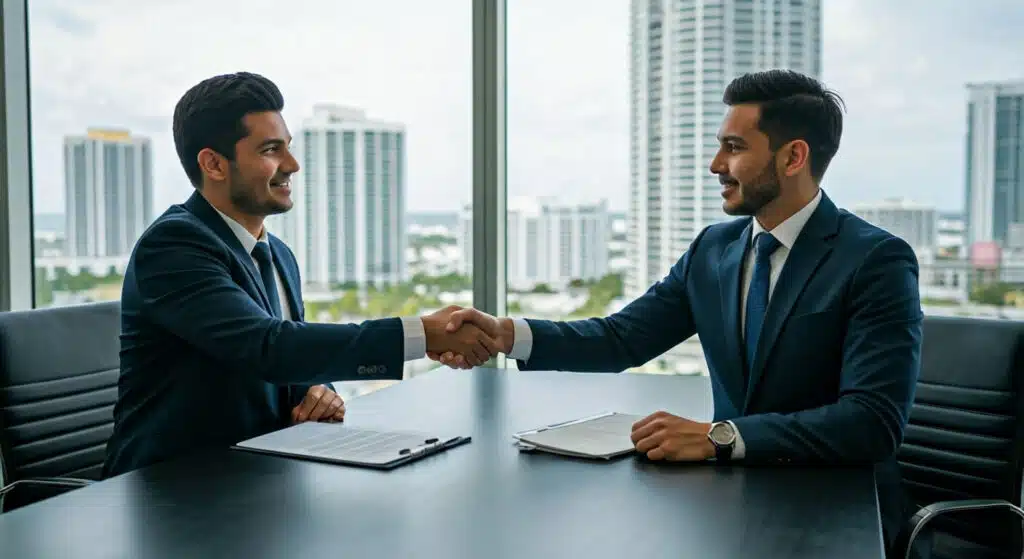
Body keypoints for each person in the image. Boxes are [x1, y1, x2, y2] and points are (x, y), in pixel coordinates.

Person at [431, 69, 922, 549]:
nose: (715, 164)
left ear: (794, 157)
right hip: (731, 503)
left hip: (837, 513)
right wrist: (507, 334)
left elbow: (871, 422)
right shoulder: (714, 249)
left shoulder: (875, 260)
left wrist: (720, 437)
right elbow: (622, 337)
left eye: (734, 147)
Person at [103, 72, 501, 478]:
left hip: (259, 476)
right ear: (214, 164)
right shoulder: (173, 246)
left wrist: (318, 391)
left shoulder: (278, 255)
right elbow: (268, 348)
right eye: (270, 150)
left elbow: (292, 361)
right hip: (171, 487)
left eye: (288, 148)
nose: (292, 165)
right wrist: (422, 334)